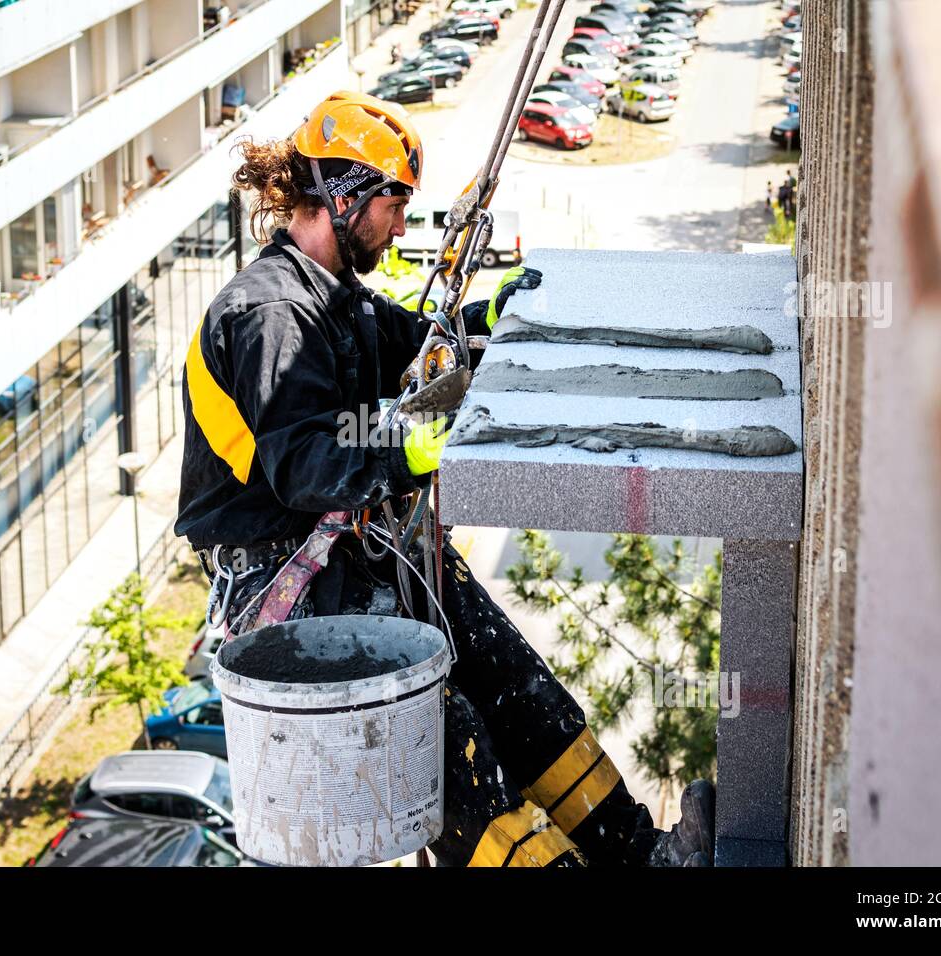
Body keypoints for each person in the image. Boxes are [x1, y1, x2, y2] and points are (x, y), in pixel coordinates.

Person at [175, 90, 715, 867]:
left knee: (514, 678)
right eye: (394, 203)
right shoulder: (271, 316)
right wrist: (414, 451)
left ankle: (639, 854)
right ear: (343, 192)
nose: (401, 224)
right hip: (288, 588)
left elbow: (423, 344)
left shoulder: (335, 300)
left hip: (352, 554)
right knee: (449, 733)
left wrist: (495, 324)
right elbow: (305, 467)